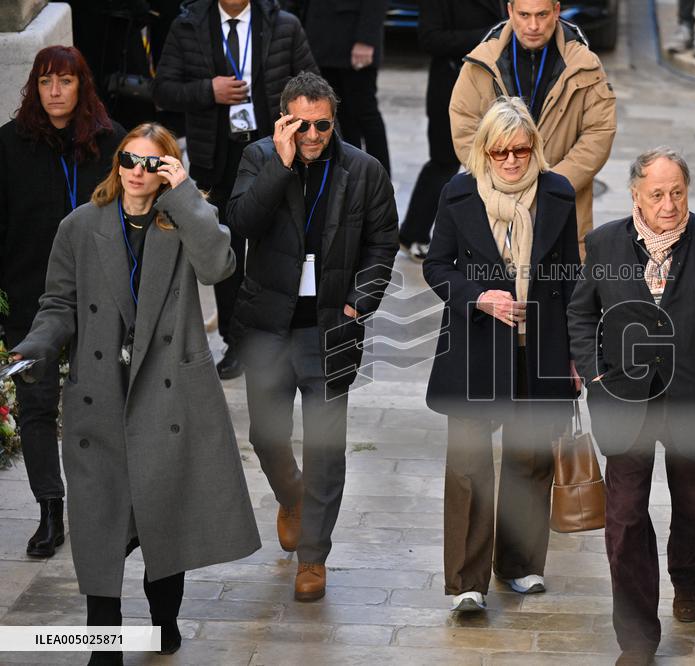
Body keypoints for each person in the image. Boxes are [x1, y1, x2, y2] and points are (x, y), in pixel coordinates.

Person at [9, 122, 260, 665]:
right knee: (99, 525)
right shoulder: (81, 226)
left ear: (168, 168)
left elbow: (219, 265)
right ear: (115, 162)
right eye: (128, 159)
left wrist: (186, 193)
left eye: (152, 163)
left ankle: (162, 620)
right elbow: (58, 305)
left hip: (167, 396)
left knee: (163, 518)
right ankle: (106, 638)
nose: (137, 172)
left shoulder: (184, 222)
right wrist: (35, 346)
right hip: (99, 398)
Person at [567, 147, 695, 663]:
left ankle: (688, 577)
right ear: (636, 194)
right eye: (656, 194)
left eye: (677, 192)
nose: (669, 204)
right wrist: (594, 372)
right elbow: (581, 314)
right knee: (626, 519)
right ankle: (636, 638)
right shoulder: (604, 243)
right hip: (625, 402)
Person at [227, 72, 398, 602]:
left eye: (322, 124)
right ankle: (293, 497)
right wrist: (279, 165)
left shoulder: (363, 170)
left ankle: (313, 558)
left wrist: (358, 304)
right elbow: (241, 222)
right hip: (268, 325)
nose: (313, 135)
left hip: (330, 327)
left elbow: (382, 243)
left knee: (326, 450)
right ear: (283, 118)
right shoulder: (259, 158)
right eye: (301, 124)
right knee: (264, 435)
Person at [422, 96, 580, 613]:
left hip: (542, 347)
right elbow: (437, 265)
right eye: (500, 152)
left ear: (534, 146)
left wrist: (578, 352)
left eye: (521, 149)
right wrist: (477, 298)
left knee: (530, 461)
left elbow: (573, 279)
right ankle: (467, 581)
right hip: (475, 345)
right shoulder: (459, 192)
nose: (511, 161)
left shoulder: (557, 192)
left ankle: (520, 565)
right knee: (468, 466)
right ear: (483, 151)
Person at [0, 45, 126, 560]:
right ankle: (50, 508)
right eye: (46, 82)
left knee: (98, 403)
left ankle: (102, 506)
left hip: (100, 296)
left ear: (82, 86)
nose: (56, 92)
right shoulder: (9, 144)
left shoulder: (109, 141)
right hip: (31, 294)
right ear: (35, 86)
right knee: (35, 402)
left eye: (66, 82)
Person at [155, 0, 317, 379]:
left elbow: (312, 86)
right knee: (224, 247)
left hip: (273, 150)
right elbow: (163, 89)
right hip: (216, 153)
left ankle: (281, 335)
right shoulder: (189, 24)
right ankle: (236, 341)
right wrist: (207, 90)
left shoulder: (283, 24)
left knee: (277, 243)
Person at [449, 0, 616, 259]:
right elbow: (464, 125)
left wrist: (551, 186)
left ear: (557, 11)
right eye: (524, 15)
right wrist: (504, 178)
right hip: (496, 205)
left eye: (542, 15)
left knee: (562, 294)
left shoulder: (586, 64)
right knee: (498, 295)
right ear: (510, 12)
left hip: (562, 208)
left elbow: (599, 132)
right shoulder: (481, 61)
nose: (533, 25)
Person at [397, 0, 507, 262]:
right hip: (451, 87)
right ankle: (414, 232)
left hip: (495, 87)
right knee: (444, 161)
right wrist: (491, 36)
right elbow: (430, 38)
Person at [303, 0, 391, 175]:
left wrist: (366, 39)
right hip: (320, 36)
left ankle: (381, 180)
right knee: (338, 118)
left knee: (365, 113)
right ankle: (348, 176)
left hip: (353, 40)